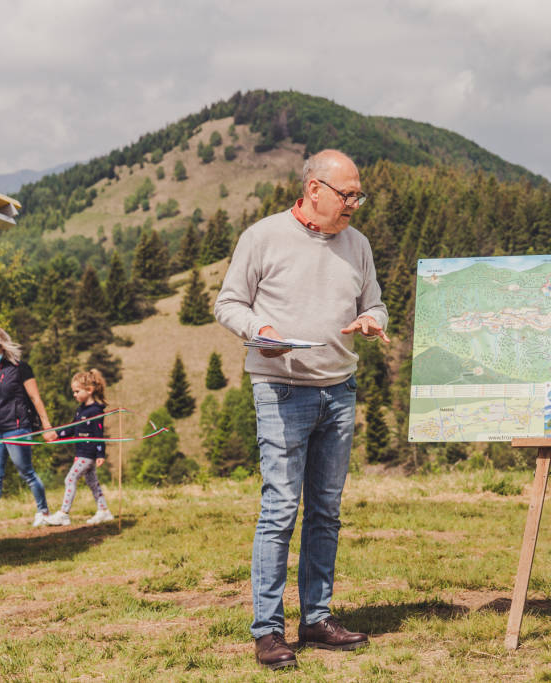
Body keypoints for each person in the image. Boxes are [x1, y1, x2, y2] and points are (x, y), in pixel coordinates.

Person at [214, 149, 389, 670]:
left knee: (326, 512)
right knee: (280, 510)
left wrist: (372, 320)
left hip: (339, 390)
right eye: (347, 193)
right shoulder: (263, 236)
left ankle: (316, 619)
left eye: (359, 194)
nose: (355, 203)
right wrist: (259, 331)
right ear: (314, 189)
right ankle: (267, 631)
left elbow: (374, 301)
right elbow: (228, 303)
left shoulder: (357, 244)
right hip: (282, 389)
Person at [0, 327, 57, 525]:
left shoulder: (18, 367)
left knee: (26, 472)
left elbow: (35, 397)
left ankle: (43, 512)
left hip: (17, 427)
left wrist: (46, 425)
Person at [45, 369, 114, 526]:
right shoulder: (81, 409)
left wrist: (100, 454)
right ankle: (104, 511)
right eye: (73, 392)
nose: (74, 395)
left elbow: (98, 434)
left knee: (70, 478)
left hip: (88, 454)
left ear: (89, 390)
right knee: (92, 482)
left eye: (77, 391)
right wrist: (56, 434)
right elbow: (72, 429)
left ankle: (63, 513)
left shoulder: (96, 411)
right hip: (81, 452)